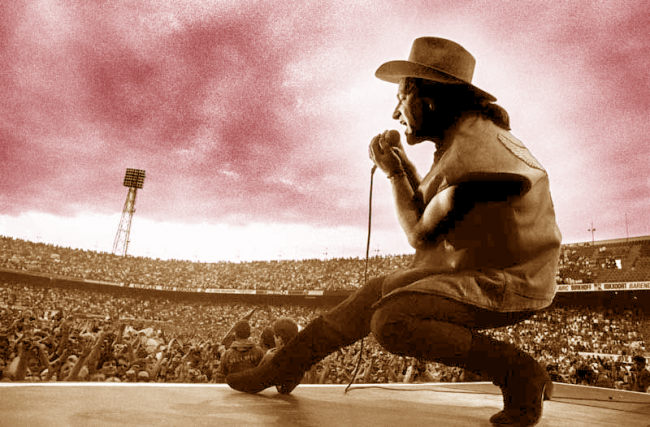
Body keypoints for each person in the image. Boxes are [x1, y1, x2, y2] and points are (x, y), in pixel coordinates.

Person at [226, 37, 562, 426]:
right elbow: (433, 207)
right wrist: (401, 169)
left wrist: (393, 172)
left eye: (401, 98)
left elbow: (421, 233)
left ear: (429, 98)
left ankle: (518, 371)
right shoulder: (470, 138)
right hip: (490, 268)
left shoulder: (470, 156)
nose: (394, 113)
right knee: (374, 292)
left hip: (506, 281)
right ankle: (286, 364)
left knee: (392, 321)